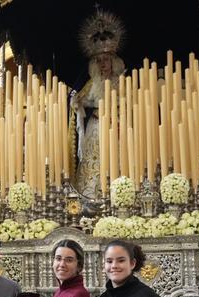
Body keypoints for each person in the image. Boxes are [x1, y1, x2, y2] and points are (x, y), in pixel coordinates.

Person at [71, 9, 125, 200]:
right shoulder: (92, 83)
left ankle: (119, 195)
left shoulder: (122, 81)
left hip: (117, 126)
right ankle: (89, 198)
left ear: (113, 61)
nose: (103, 64)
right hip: (96, 128)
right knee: (93, 161)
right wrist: (78, 104)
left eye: (107, 60)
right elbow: (78, 101)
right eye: (99, 61)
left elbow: (130, 102)